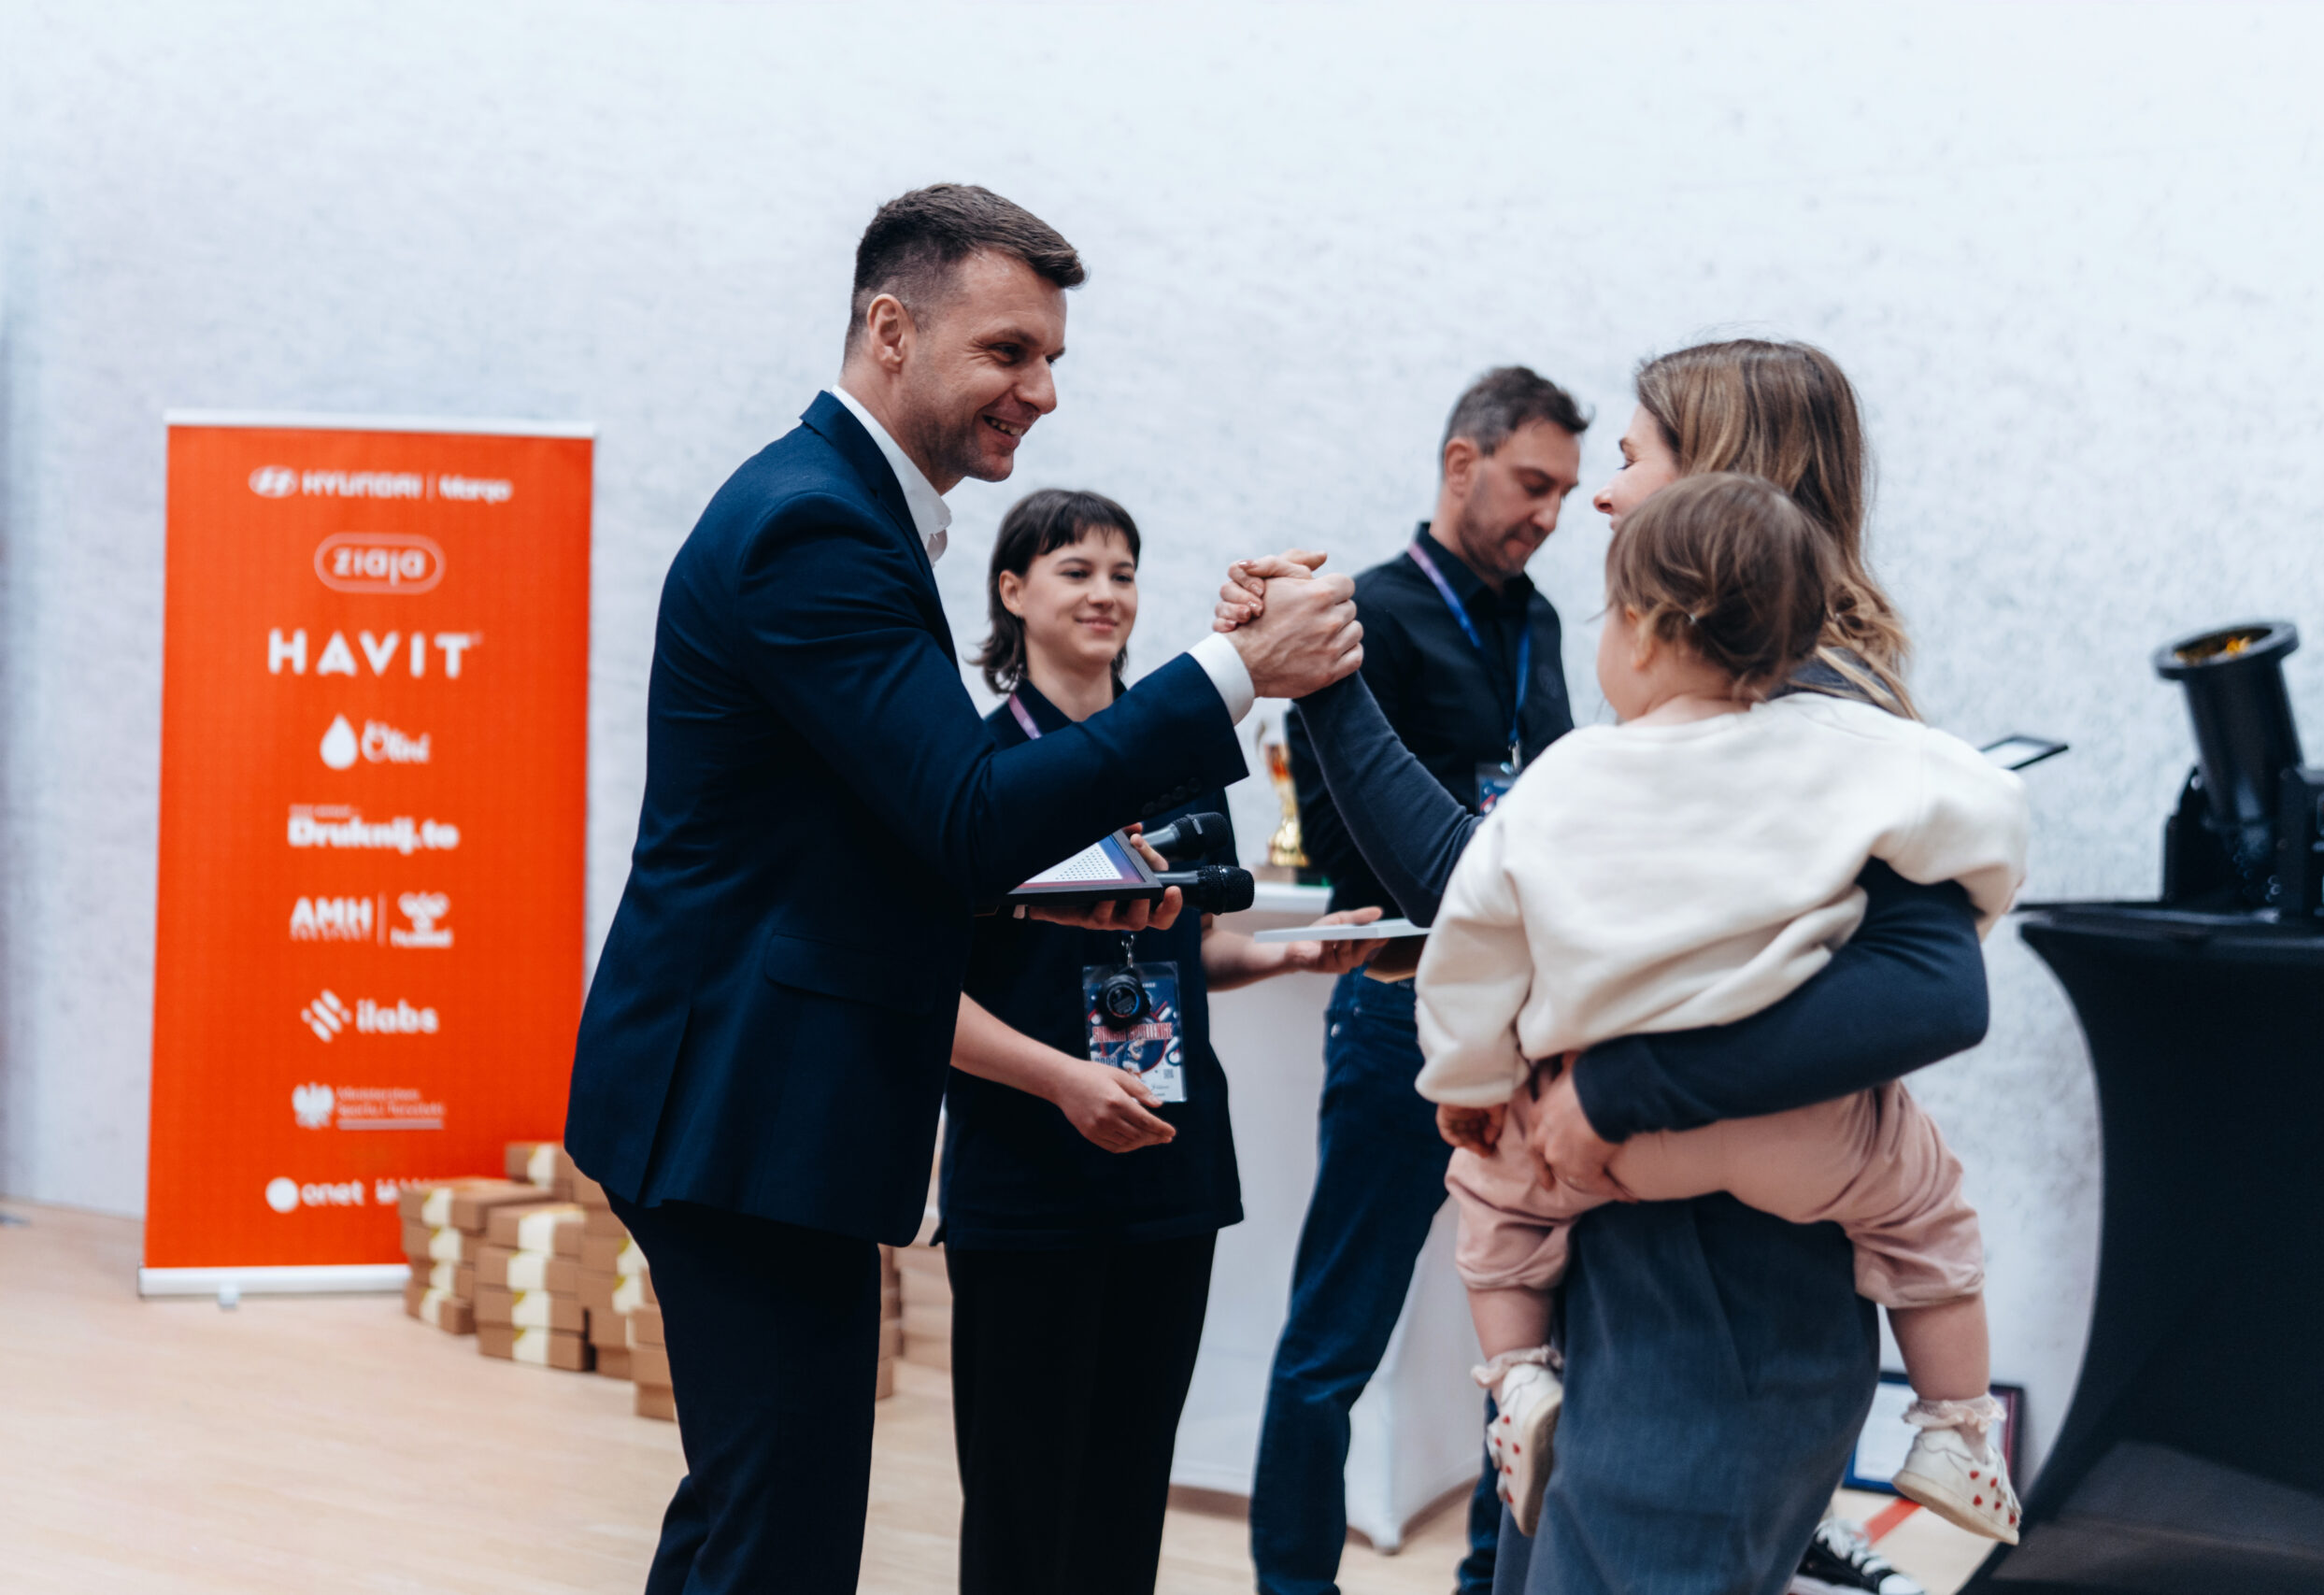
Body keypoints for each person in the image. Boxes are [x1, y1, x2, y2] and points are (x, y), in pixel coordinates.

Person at [562, 184, 1362, 1595]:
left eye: (1050, 357)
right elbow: (968, 811)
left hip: (760, 1092)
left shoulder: (846, 511)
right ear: (891, 330)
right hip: (738, 1099)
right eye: (1007, 351)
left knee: (754, 1515)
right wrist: (1236, 673)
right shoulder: (812, 526)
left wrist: (1037, 898)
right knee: (781, 1536)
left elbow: (886, 827)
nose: (1041, 391)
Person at [1219, 339, 1989, 1595]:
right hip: (1656, 1265)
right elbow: (1492, 886)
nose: (1603, 498)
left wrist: (1621, 1088)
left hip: (1715, 1290)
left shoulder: (1811, 714)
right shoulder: (1729, 706)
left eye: (1628, 461)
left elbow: (1933, 987)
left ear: (1720, 482)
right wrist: (1329, 687)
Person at [1419, 473, 2027, 1545]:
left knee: (1491, 1198)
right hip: (1808, 1142)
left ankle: (1517, 1384)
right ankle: (1957, 1432)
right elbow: (1987, 811)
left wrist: (1469, 1085)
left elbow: (1472, 947)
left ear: (1646, 631)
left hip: (1587, 1145)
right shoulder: (1848, 754)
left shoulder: (1568, 776)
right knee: (1926, 1212)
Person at [938, 488, 1384, 1595]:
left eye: (1123, 573)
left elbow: (1190, 950)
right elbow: (918, 994)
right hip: (1029, 1179)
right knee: (1021, 1499)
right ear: (1011, 592)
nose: (1106, 594)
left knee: (1127, 1488)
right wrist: (1061, 1081)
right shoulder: (975, 773)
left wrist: (1288, 955)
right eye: (1075, 570)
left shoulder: (1178, 755)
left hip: (1166, 1174)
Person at [1251, 365, 1585, 1595]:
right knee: (1336, 1334)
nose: (1549, 513)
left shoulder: (1540, 622)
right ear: (1461, 463)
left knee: (1532, 1344)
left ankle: (1496, 1574)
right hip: (1403, 1008)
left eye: (1566, 492)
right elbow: (1345, 836)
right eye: (1532, 482)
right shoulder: (1368, 617)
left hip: (1533, 1021)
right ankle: (1295, 1583)